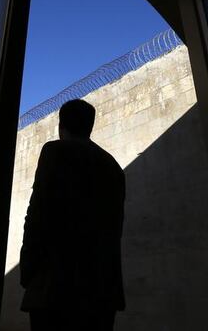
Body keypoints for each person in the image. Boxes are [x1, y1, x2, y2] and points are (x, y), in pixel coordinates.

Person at [20, 99, 126, 331]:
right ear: (90, 126)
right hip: (101, 290)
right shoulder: (113, 167)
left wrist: (28, 270)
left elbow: (37, 215)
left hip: (56, 288)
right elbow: (115, 228)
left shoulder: (55, 152)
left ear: (61, 126)